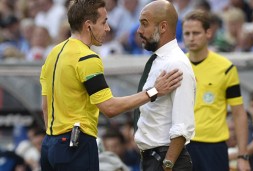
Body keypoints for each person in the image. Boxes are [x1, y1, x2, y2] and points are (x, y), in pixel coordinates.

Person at [39, 0, 183, 170]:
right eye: (104, 22)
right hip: (75, 146)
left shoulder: (53, 54)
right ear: (88, 25)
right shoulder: (87, 58)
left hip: (49, 144)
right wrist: (154, 91)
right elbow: (110, 108)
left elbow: (45, 107)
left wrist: (56, 139)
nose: (107, 28)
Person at [182, 10, 250, 171]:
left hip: (214, 147)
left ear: (208, 33)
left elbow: (239, 113)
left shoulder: (225, 68)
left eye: (196, 33)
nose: (191, 38)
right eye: (187, 33)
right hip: (182, 145)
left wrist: (243, 155)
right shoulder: (177, 66)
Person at [133, 1, 196, 171]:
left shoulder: (176, 63)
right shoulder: (159, 60)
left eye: (144, 23)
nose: (139, 30)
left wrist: (167, 165)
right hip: (153, 158)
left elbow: (182, 125)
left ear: (162, 27)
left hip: (166, 160)